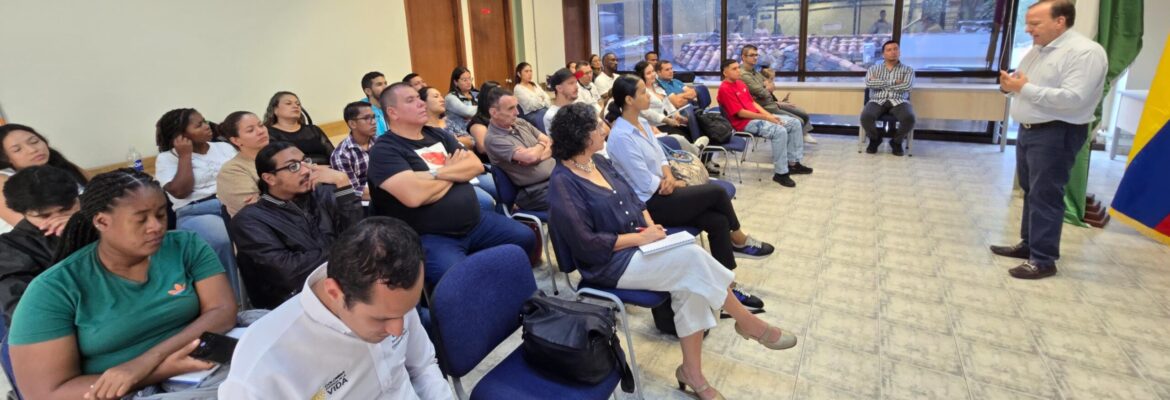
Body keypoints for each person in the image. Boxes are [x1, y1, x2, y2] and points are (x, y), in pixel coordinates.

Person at [548, 103, 797, 400]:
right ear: (581, 136)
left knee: (690, 281)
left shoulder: (598, 162)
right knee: (691, 259)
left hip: (639, 243)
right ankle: (748, 323)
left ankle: (692, 373)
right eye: (597, 125)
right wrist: (640, 238)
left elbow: (635, 201)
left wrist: (650, 226)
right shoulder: (563, 183)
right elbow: (586, 244)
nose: (605, 128)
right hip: (608, 263)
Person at [9, 168, 237, 400]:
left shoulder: (184, 245)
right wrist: (157, 371)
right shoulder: (54, 289)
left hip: (203, 361)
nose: (156, 226)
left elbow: (222, 310)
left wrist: (149, 360)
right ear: (102, 221)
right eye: (141, 219)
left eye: (160, 214)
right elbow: (45, 393)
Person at [220, 217, 452, 399]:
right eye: (380, 319)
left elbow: (423, 367)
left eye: (407, 311)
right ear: (334, 292)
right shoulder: (262, 368)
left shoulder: (391, 301)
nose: (397, 329)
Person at [605, 77, 773, 309]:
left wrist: (670, 176)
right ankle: (739, 238)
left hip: (664, 190)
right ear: (629, 100)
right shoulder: (621, 136)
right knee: (716, 192)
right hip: (649, 205)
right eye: (643, 92)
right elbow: (644, 182)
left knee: (717, 221)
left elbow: (662, 157)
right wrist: (674, 184)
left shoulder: (641, 123)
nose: (648, 96)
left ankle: (728, 291)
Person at [369, 82, 535, 287]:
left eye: (419, 98)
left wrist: (432, 175)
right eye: (411, 100)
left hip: (475, 223)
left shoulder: (437, 134)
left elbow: (475, 165)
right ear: (392, 112)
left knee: (525, 237)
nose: (421, 103)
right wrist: (454, 171)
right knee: (460, 280)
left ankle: (503, 289)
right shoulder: (385, 150)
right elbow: (415, 197)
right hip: (433, 236)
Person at [991, 0, 1107, 280]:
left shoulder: (1085, 52)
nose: (1028, 29)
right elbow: (1021, 84)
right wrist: (1009, 87)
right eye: (1028, 23)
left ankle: (1043, 260)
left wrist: (1024, 88)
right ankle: (1029, 244)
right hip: (1030, 130)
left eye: (1035, 23)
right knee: (1031, 190)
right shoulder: (1038, 50)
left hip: (1057, 132)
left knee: (1046, 194)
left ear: (1060, 21)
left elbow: (1073, 98)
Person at [230, 142, 362, 310]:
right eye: (293, 167)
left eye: (305, 161)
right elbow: (290, 273)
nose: (306, 170)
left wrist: (343, 184)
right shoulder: (249, 220)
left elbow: (362, 237)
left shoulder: (324, 194)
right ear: (269, 178)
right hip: (295, 303)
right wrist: (351, 250)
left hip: (348, 285)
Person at [153, 108, 240, 299]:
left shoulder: (223, 148)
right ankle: (233, 299)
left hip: (232, 201)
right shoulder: (167, 158)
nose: (207, 126)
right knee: (222, 239)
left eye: (205, 121)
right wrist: (185, 155)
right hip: (196, 211)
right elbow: (180, 191)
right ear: (180, 136)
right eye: (199, 125)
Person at [0, 166, 79, 327]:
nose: (57, 219)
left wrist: (86, 227)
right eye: (44, 216)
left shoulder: (105, 214)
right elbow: (23, 313)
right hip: (63, 326)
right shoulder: (11, 247)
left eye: (66, 210)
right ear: (23, 213)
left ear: (78, 198)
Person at [717, 60, 812, 187]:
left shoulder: (740, 83)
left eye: (738, 68)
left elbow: (753, 103)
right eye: (734, 69)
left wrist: (769, 116)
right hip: (744, 123)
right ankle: (781, 173)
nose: (738, 71)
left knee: (794, 123)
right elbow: (740, 113)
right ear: (725, 72)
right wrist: (766, 117)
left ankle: (793, 164)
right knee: (779, 130)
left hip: (757, 117)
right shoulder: (724, 89)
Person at [0, 124, 87, 233]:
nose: (32, 149)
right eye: (17, 150)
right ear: (5, 158)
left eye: (34, 142)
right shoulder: (3, 179)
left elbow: (100, 195)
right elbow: (28, 226)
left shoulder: (64, 166)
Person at [422, 86, 498, 210]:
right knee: (486, 201)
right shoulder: (424, 130)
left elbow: (471, 142)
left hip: (469, 164)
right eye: (436, 96)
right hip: (450, 173)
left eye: (441, 95)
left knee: (500, 186)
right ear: (423, 103)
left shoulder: (450, 121)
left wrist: (456, 141)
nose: (442, 99)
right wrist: (458, 140)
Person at [485, 88, 555, 211]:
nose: (517, 112)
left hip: (555, 178)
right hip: (534, 192)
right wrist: (542, 145)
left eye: (516, 107)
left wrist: (538, 155)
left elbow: (551, 142)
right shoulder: (493, 139)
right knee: (578, 198)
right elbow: (531, 157)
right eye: (510, 108)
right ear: (494, 112)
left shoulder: (520, 122)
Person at [738, 45, 817, 143]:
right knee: (798, 121)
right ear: (743, 57)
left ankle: (803, 134)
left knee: (803, 113)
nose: (755, 57)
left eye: (756, 55)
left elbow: (771, 86)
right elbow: (762, 92)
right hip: (764, 107)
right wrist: (765, 87)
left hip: (771, 102)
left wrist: (766, 88)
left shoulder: (754, 71)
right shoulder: (743, 74)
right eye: (752, 55)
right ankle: (796, 142)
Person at [861, 40, 917, 156]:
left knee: (909, 118)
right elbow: (869, 84)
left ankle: (896, 142)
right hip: (877, 99)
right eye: (889, 50)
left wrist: (880, 82)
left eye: (895, 49)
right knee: (866, 116)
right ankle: (875, 139)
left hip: (899, 100)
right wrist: (895, 82)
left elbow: (907, 86)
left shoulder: (908, 70)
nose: (893, 52)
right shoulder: (873, 69)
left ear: (899, 52)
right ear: (883, 54)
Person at [216, 111, 270, 217]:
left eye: (261, 125)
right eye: (250, 130)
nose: (261, 131)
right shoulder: (231, 171)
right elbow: (259, 211)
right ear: (236, 141)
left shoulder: (279, 155)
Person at [264, 91, 335, 165]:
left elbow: (334, 156)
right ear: (275, 109)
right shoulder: (269, 134)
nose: (295, 106)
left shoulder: (313, 129)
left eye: (298, 104)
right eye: (288, 103)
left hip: (328, 169)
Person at [330, 101, 379, 200]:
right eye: (367, 118)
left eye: (373, 117)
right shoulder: (342, 154)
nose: (373, 122)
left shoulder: (380, 142)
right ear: (352, 124)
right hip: (367, 201)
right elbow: (352, 191)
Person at [633, 61, 690, 139]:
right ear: (642, 76)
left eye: (653, 71)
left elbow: (668, 104)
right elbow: (647, 112)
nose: (653, 74)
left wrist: (676, 115)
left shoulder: (658, 87)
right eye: (648, 73)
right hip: (655, 127)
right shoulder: (641, 92)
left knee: (688, 131)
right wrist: (666, 120)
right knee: (681, 138)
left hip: (667, 123)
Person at [466, 81, 503, 160]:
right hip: (493, 161)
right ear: (487, 98)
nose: (503, 96)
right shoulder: (478, 123)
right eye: (499, 94)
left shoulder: (501, 116)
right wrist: (511, 150)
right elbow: (483, 148)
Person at [445, 67, 478, 132]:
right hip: (460, 133)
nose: (469, 82)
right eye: (465, 80)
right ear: (455, 82)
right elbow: (468, 112)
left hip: (477, 130)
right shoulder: (450, 98)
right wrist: (485, 108)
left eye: (470, 79)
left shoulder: (477, 94)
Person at [360, 71, 391, 136]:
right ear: (368, 91)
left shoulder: (391, 106)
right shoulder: (362, 113)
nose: (385, 87)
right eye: (379, 84)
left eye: (385, 83)